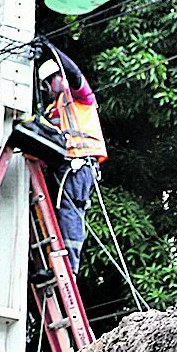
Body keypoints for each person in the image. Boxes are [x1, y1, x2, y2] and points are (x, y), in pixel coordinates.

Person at [35, 52, 107, 254]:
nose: (49, 87)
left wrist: (52, 49)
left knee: (71, 210)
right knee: (49, 213)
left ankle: (70, 265)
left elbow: (75, 74)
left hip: (80, 164)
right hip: (61, 167)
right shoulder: (51, 110)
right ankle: (50, 261)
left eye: (51, 80)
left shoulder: (79, 98)